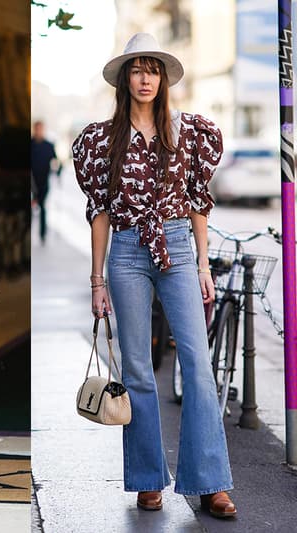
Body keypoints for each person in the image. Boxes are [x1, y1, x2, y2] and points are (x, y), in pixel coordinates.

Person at [72, 33, 236, 519]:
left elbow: (197, 202)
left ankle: (209, 483)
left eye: (153, 70)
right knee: (138, 369)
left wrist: (204, 265)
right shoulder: (100, 139)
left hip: (180, 246)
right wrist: (96, 279)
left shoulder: (189, 131)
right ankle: (147, 479)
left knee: (197, 366)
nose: (146, 78)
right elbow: (99, 209)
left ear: (163, 79)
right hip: (124, 251)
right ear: (125, 79)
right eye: (137, 70)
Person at [30, 120, 59, 243]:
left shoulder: (49, 145)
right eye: (37, 128)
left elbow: (55, 161)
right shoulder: (30, 144)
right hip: (31, 181)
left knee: (42, 207)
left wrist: (57, 172)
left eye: (41, 129)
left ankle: (42, 234)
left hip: (44, 181)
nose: (39, 131)